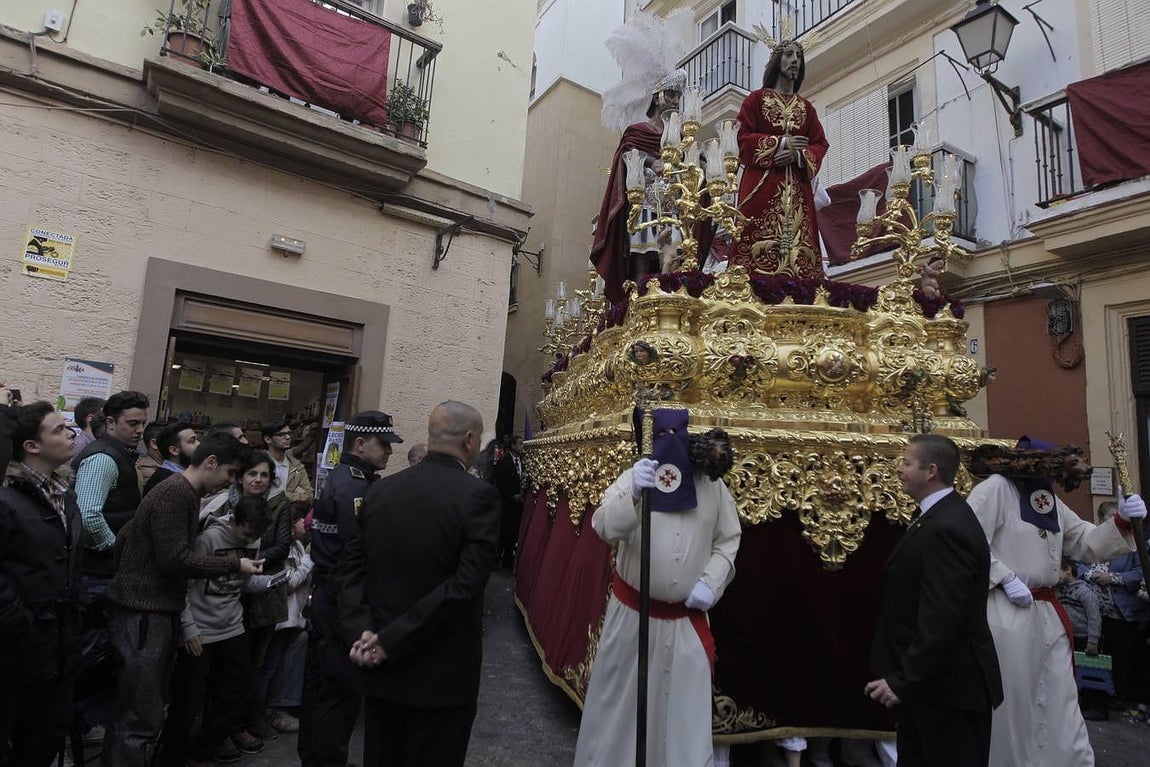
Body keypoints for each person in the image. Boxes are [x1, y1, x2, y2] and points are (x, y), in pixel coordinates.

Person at [966, 437, 1147, 767]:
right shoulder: (994, 490)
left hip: (1048, 613)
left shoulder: (1049, 500)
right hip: (1007, 610)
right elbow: (967, 540)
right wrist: (1003, 577)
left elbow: (1086, 544)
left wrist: (1120, 520)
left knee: (1059, 698)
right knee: (1015, 702)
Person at [338, 401, 500, 767]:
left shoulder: (381, 490)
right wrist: (389, 641)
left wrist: (362, 633)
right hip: (440, 674)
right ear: (470, 440)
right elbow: (465, 585)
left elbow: (349, 569)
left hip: (378, 666)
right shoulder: (478, 497)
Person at [573, 417, 742, 767]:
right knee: (619, 718)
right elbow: (603, 526)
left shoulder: (712, 487)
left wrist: (710, 584)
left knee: (682, 723)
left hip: (686, 624)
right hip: (634, 623)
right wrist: (633, 493)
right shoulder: (636, 476)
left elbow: (728, 540)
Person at [102, 433, 262, 767]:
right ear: (211, 462)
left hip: (149, 609)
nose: (230, 483)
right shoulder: (177, 493)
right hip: (144, 613)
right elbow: (175, 560)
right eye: (230, 474)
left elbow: (128, 538)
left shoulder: (182, 493)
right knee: (139, 717)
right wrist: (234, 563)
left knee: (143, 712)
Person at [866, 434, 1003, 767]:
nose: (898, 469)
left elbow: (943, 616)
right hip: (933, 689)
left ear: (931, 471)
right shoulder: (937, 516)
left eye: (906, 463)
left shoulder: (948, 526)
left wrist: (903, 678)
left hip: (950, 691)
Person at [298, 410, 403, 767]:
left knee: (322, 684)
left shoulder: (348, 477)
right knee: (337, 690)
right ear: (360, 444)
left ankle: (314, 755)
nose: (388, 452)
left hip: (330, 593)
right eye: (383, 444)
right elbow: (358, 548)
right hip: (340, 597)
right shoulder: (354, 485)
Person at [0, 402, 81, 766]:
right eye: (60, 429)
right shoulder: (8, 500)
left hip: (56, 645)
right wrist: (23, 626)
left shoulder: (64, 494)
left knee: (44, 740)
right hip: (19, 648)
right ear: (32, 446)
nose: (71, 434)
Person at [180, 495, 276, 764]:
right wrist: (188, 628)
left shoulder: (253, 539)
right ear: (234, 521)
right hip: (201, 628)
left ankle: (208, 747)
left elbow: (241, 584)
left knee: (237, 688)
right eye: (246, 533)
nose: (249, 541)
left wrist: (270, 581)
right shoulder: (209, 539)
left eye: (255, 536)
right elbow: (184, 586)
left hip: (232, 625)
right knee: (189, 698)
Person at [732, 37, 829, 278]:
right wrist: (780, 144)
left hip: (797, 193)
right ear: (777, 61)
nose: (795, 60)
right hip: (762, 187)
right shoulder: (755, 100)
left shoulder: (806, 108)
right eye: (788, 54)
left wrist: (799, 155)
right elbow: (741, 138)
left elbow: (820, 144)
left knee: (800, 259)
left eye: (798, 56)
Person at [72, 390, 150, 587]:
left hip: (104, 568)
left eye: (143, 424)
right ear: (111, 422)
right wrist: (115, 548)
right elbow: (87, 515)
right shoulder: (103, 458)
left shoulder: (120, 453)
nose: (140, 430)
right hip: (97, 571)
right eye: (133, 423)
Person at [259, 501, 314, 734]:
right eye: (300, 519)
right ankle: (259, 711)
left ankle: (278, 706)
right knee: (269, 665)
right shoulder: (287, 552)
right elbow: (288, 582)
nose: (304, 522)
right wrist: (310, 560)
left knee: (282, 661)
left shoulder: (299, 547)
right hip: (282, 618)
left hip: (295, 617)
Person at [1056, 556, 1107, 721]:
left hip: (1084, 637)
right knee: (1074, 673)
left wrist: (1093, 640)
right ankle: (1080, 704)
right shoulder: (1058, 589)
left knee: (1091, 672)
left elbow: (1094, 617)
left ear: (1068, 569)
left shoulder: (1083, 591)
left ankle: (1098, 708)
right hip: (1067, 636)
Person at [262, 420, 314, 504]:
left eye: (289, 433)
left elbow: (309, 497)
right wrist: (296, 495)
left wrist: (283, 495)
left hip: (290, 516)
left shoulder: (297, 466)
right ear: (268, 439)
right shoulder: (258, 464)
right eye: (281, 434)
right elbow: (259, 496)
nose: (288, 437)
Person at [142, 421, 199, 497]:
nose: (199, 444)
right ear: (174, 450)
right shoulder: (169, 483)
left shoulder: (179, 477)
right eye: (192, 441)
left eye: (197, 440)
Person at [493, 435, 526, 568]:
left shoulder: (523, 461)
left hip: (518, 504)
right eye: (519, 444)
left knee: (513, 533)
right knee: (503, 532)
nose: (522, 446)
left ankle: (508, 560)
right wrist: (512, 496)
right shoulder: (504, 462)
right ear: (512, 446)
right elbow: (501, 482)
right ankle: (494, 560)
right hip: (506, 503)